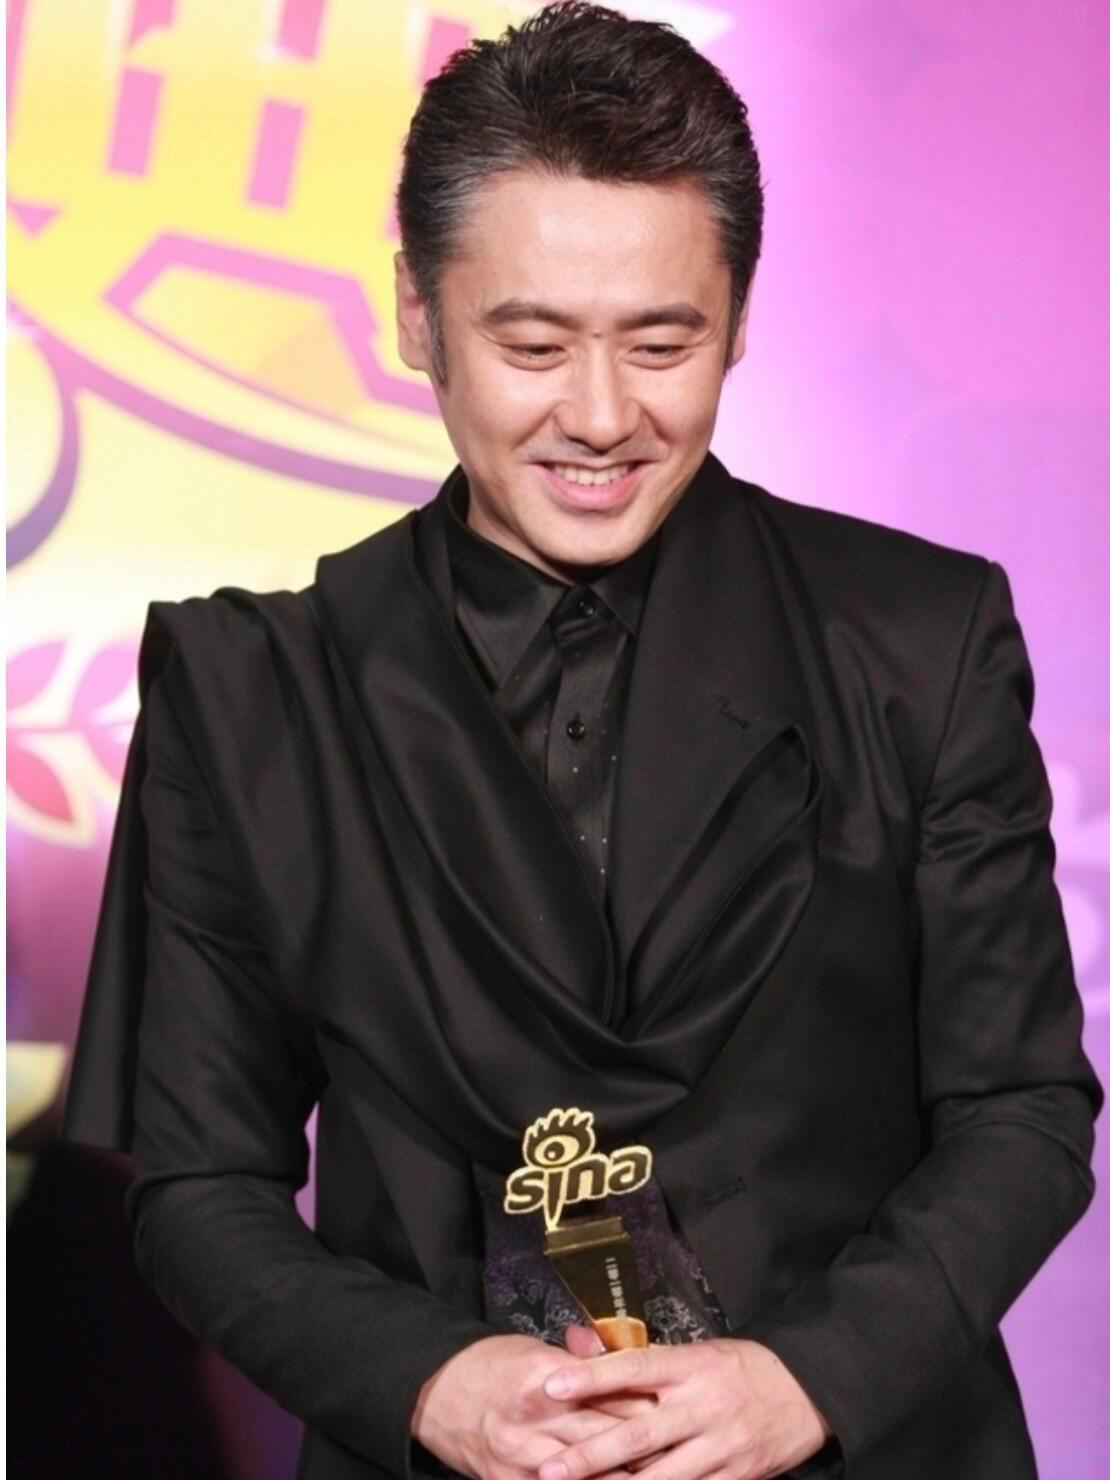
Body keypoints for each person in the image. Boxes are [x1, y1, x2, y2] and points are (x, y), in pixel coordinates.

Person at [65, 4, 1100, 1478]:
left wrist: (809, 1377)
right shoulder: (256, 691)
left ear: (738, 316)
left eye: (662, 342)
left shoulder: (918, 640)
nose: (602, 417)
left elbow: (1021, 1108)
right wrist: (428, 1381)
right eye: (533, 343)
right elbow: (200, 1185)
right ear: (417, 313)